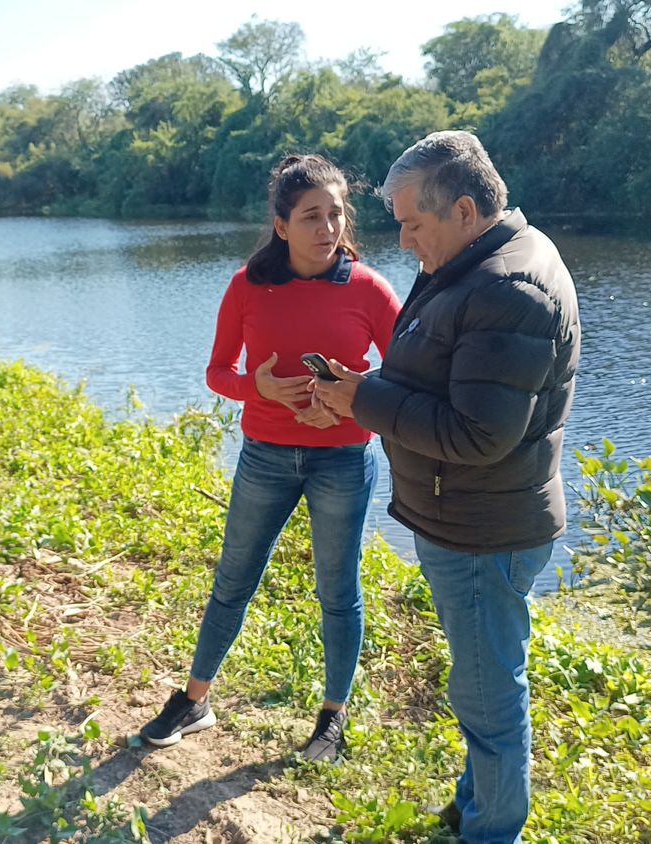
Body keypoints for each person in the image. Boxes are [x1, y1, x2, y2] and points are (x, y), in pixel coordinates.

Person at [315, 131, 581, 844]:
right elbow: (446, 376)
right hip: (469, 518)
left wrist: (361, 403)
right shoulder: (478, 261)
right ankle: (475, 807)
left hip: (484, 530)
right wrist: (363, 388)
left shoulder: (508, 287)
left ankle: (491, 831)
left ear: (463, 210)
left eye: (412, 223)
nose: (402, 241)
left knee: (491, 697)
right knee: (480, 682)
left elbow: (477, 436)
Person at [140, 154, 402, 763]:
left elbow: (407, 375)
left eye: (336, 213)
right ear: (282, 225)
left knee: (338, 591)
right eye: (312, 216)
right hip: (265, 456)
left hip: (342, 458)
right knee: (233, 582)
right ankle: (195, 700)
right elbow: (216, 373)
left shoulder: (369, 289)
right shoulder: (246, 286)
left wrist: (348, 402)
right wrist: (255, 388)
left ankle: (333, 718)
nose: (328, 227)